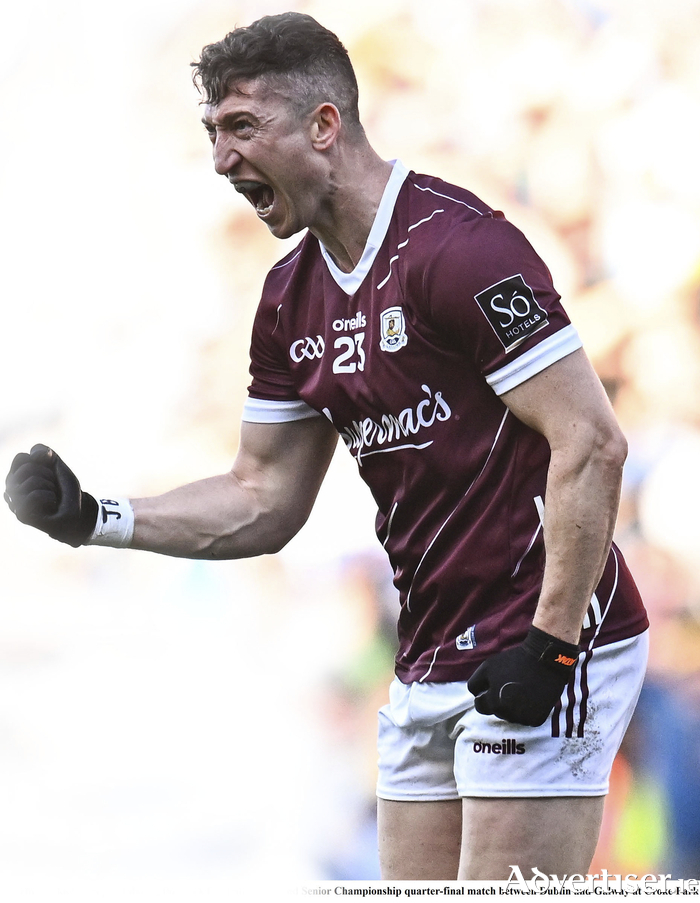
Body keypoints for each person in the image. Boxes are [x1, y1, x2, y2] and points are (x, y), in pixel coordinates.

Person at [4, 11, 649, 881]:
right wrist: (95, 516)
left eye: (241, 128)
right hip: (430, 653)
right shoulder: (286, 301)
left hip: (546, 636)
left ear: (323, 125)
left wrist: (553, 645)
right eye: (211, 133)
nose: (222, 160)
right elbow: (262, 497)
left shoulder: (460, 249)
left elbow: (593, 443)